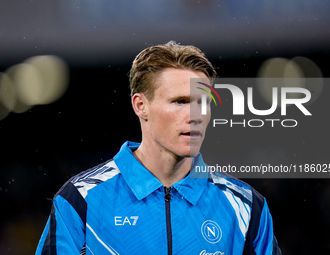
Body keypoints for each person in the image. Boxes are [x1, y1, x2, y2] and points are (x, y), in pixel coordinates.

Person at [36, 41, 281, 255]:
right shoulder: (81, 199)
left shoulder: (246, 207)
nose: (196, 115)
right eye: (180, 101)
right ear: (141, 105)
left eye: (204, 102)